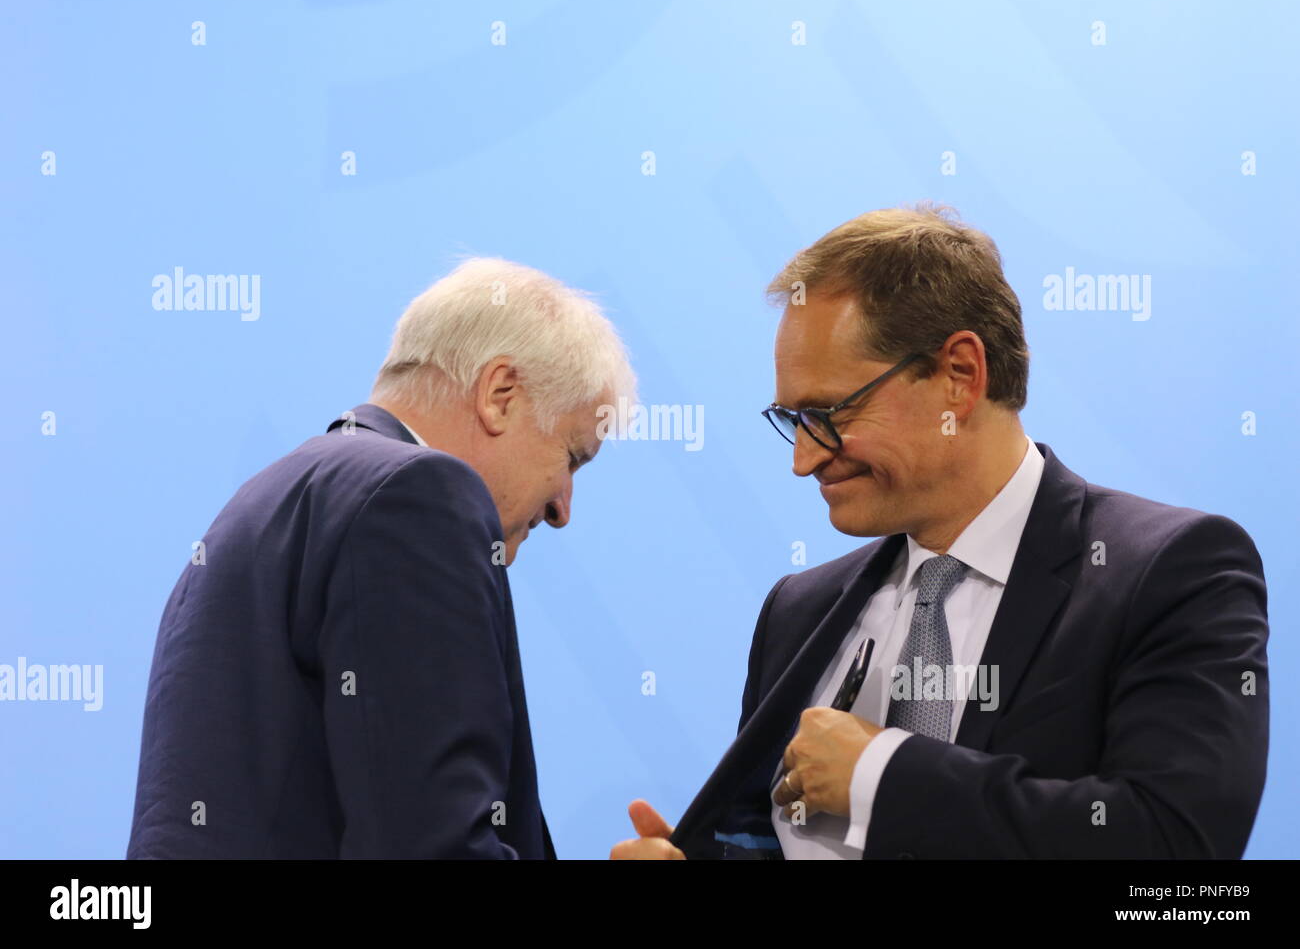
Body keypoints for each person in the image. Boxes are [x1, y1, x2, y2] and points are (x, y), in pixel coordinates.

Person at [612, 205, 1268, 859]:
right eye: (792, 420)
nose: (803, 459)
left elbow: (1177, 844)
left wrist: (880, 774)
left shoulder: (1173, 573)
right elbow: (765, 835)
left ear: (959, 374)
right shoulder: (798, 611)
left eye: (828, 414)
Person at [128, 257, 634, 858]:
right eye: (572, 457)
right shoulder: (417, 498)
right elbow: (429, 846)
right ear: (500, 395)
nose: (561, 507)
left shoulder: (267, 502)